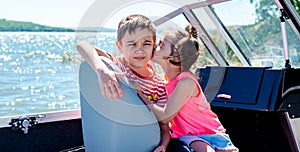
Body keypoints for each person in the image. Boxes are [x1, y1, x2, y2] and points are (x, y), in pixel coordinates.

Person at [136, 25, 239, 152]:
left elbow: (165, 117)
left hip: (211, 133)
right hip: (192, 136)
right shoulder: (166, 81)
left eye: (161, 45)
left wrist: (141, 94)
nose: (155, 46)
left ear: (175, 58)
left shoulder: (186, 82)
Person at [76, 14, 170, 151]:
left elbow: (164, 126)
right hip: (115, 140)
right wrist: (101, 69)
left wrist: (163, 146)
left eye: (146, 44)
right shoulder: (117, 66)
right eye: (132, 44)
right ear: (119, 46)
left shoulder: (159, 85)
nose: (139, 50)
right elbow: (82, 45)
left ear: (153, 46)